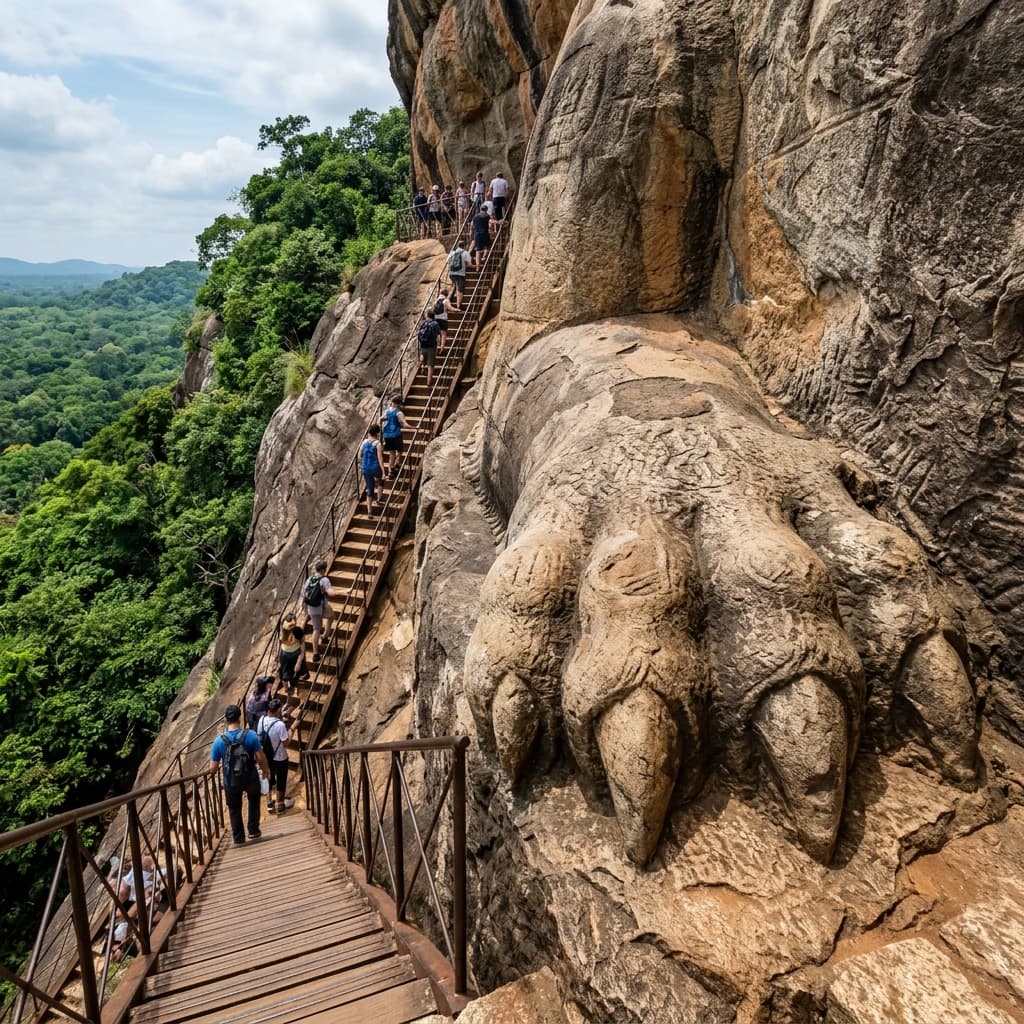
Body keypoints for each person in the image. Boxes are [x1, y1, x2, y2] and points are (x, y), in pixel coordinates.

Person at [210, 705, 269, 845]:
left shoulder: (218, 741)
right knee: (253, 801)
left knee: (234, 809)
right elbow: (260, 757)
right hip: (250, 777)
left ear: (226, 720)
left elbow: (212, 768)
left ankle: (239, 838)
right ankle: (253, 830)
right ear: (239, 717)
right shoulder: (251, 735)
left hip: (230, 781)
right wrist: (265, 770)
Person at [258, 698, 294, 814]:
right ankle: (280, 804)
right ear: (278, 710)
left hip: (266, 756)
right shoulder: (280, 725)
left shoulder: (261, 720)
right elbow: (286, 743)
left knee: (268, 777)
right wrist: (291, 731)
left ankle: (269, 803)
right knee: (281, 779)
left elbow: (259, 736)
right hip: (280, 757)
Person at [304, 560, 332, 659]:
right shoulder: (324, 580)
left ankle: (324, 637)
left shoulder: (310, 579)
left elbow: (305, 592)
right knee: (317, 629)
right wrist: (344, 592)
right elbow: (331, 593)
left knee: (331, 616)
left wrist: (306, 608)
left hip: (312, 607)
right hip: (319, 607)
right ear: (323, 570)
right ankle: (316, 653)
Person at [381, 395, 411, 479]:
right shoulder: (398, 412)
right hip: (395, 434)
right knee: (400, 450)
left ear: (392, 402)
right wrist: (414, 427)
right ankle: (397, 463)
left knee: (392, 454)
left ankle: (390, 471)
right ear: (398, 404)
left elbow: (381, 418)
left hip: (387, 435)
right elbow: (404, 423)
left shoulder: (387, 411)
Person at [277, 617, 305, 695]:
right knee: (284, 675)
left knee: (294, 674)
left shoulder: (298, 632)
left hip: (295, 655)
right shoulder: (282, 635)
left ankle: (292, 686)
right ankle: (287, 689)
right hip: (285, 655)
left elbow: (302, 648)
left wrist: (299, 662)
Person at [361, 425, 385, 515]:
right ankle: (379, 499)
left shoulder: (364, 442)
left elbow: (360, 454)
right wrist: (383, 472)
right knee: (381, 480)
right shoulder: (378, 444)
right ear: (377, 433)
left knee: (370, 489)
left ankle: (369, 512)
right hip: (375, 467)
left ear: (369, 433)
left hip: (365, 468)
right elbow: (380, 459)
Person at [418, 313, 441, 387]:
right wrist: (438, 345)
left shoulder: (424, 323)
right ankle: (429, 382)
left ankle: (422, 365)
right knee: (430, 365)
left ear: (428, 316)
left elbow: (420, 333)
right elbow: (438, 336)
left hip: (423, 345)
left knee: (423, 355)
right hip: (431, 346)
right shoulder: (435, 324)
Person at [470, 204, 494, 270]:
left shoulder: (475, 216)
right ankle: (484, 257)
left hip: (477, 234)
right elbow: (490, 223)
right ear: (486, 210)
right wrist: (497, 222)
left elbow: (472, 224)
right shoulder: (487, 216)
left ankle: (478, 267)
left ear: (480, 209)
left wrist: (471, 232)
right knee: (487, 246)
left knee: (477, 250)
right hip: (485, 233)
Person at [448, 243, 469, 309]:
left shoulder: (452, 252)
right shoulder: (465, 253)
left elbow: (448, 262)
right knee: (460, 289)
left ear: (457, 246)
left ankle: (448, 300)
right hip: (460, 274)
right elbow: (468, 264)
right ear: (464, 246)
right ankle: (458, 305)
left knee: (454, 286)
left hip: (451, 273)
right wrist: (475, 266)